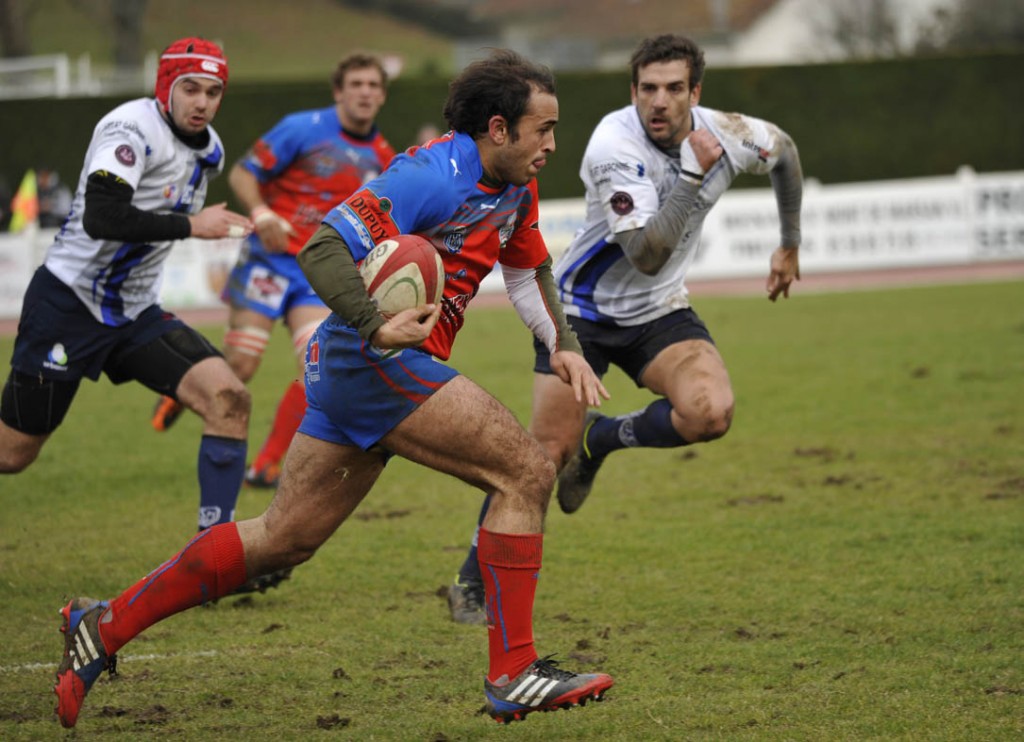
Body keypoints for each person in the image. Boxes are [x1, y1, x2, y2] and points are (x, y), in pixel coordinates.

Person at [52, 49, 614, 729]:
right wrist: (377, 325)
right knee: (525, 472)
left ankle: (101, 626)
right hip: (372, 360)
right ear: (499, 128)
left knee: (283, 538)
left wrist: (563, 347)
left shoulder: (515, 188)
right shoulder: (430, 176)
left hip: (359, 368)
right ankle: (514, 672)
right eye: (543, 130)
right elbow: (321, 247)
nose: (553, 144)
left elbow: (529, 273)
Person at [445, 33, 803, 624]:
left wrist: (789, 244)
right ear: (632, 90)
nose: (658, 102)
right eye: (647, 89)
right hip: (582, 312)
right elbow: (645, 253)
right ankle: (471, 579)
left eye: (672, 89)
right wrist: (690, 178)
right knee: (541, 459)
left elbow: (785, 152)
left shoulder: (729, 134)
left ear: (696, 92)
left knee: (710, 413)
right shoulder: (614, 144)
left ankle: (601, 439)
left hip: (659, 312)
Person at [0, 38, 255, 540]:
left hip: (134, 314)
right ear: (166, 87)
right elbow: (101, 216)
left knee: (229, 398)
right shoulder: (130, 128)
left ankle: (214, 553)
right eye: (190, 88)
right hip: (67, 305)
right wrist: (191, 225)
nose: (202, 102)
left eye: (213, 91)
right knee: (12, 454)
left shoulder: (213, 151)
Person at [151, 54, 396, 493]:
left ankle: (266, 464)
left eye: (373, 85)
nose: (364, 92)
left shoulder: (383, 157)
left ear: (382, 94)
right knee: (242, 364)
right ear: (339, 91)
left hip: (317, 274)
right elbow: (245, 173)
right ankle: (179, 390)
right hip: (269, 260)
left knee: (317, 368)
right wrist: (262, 213)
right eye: (356, 83)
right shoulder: (301, 128)